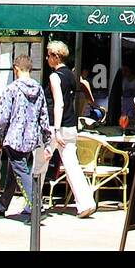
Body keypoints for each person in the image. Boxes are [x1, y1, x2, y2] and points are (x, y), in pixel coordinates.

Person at [0, 55, 51, 222]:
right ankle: (0, 207)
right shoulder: (38, 89)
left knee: (22, 173)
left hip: (14, 137)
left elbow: (3, 118)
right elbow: (44, 116)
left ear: (15, 69)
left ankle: (37, 208)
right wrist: (46, 141)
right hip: (31, 138)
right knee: (15, 172)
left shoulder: (11, 89)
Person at [47, 41, 97, 217]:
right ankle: (86, 203)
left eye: (48, 55)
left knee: (40, 163)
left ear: (55, 56)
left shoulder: (55, 76)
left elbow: (58, 104)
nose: (47, 58)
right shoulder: (71, 75)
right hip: (71, 125)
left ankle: (32, 203)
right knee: (72, 166)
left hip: (56, 126)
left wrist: (55, 130)